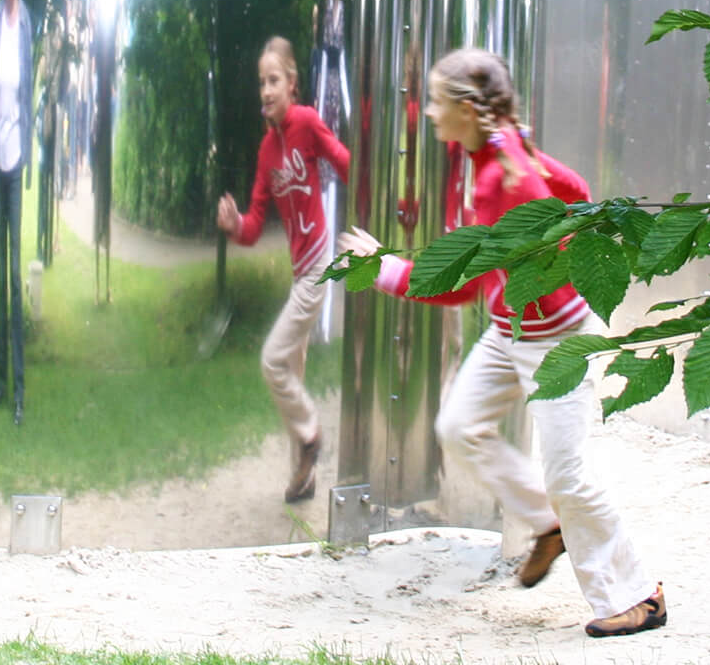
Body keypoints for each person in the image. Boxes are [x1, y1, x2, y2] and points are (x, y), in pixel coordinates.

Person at [337, 49, 667, 639]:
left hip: (557, 341)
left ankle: (640, 594)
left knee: (569, 476)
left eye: (436, 102)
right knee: (459, 426)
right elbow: (575, 188)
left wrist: (382, 268)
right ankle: (547, 524)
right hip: (510, 330)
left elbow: (459, 283)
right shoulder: (498, 153)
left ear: (467, 109)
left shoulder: (500, 178)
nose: (429, 114)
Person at [216, 36, 349, 503]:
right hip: (300, 274)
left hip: (319, 268)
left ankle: (312, 436)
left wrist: (375, 188)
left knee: (272, 360)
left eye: (274, 81)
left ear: (292, 84)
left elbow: (345, 161)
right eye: (261, 83)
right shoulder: (266, 154)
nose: (266, 91)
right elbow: (253, 226)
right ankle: (304, 477)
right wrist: (234, 226)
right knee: (291, 374)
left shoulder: (307, 123)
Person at [0, 0, 34, 426]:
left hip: (16, 154)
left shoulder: (27, 24)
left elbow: (27, 91)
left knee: (16, 273)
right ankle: (1, 383)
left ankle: (21, 389)